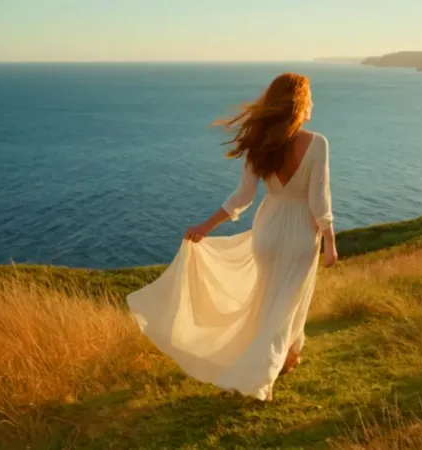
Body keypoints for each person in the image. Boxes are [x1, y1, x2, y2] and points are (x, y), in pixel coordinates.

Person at [126, 73, 337, 401]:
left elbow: (243, 196)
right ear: (298, 104)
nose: (312, 103)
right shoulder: (317, 143)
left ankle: (288, 357)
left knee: (269, 300)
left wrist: (205, 226)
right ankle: (258, 373)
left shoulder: (261, 145)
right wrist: (330, 242)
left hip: (266, 232)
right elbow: (319, 200)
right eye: (309, 97)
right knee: (286, 302)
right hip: (300, 234)